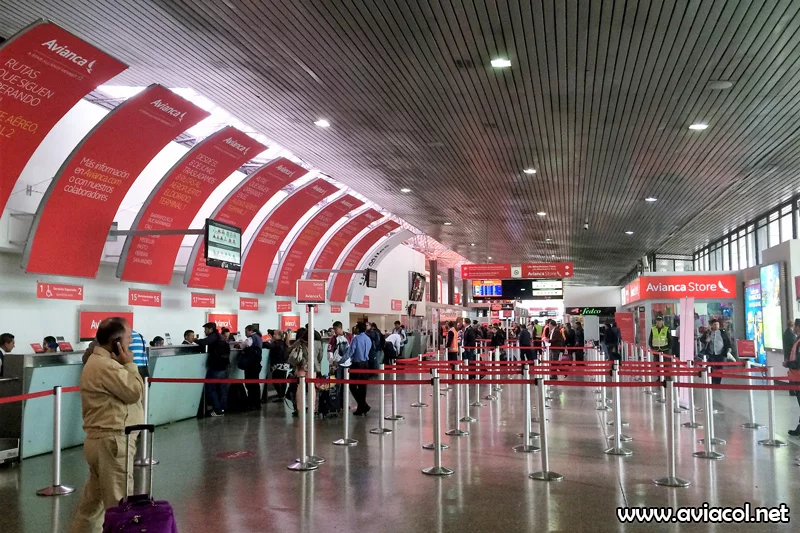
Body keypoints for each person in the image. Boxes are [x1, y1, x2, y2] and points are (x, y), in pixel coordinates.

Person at [69, 319, 143, 533]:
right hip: (113, 441)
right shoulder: (107, 366)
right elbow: (134, 392)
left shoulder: (97, 362)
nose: (130, 341)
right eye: (129, 338)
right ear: (117, 342)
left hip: (101, 441)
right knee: (119, 504)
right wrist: (129, 363)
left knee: (93, 503)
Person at [196, 322, 229, 417]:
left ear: (210, 329)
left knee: (211, 388)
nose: (205, 331)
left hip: (216, 366)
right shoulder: (220, 337)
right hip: (224, 366)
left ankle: (218, 410)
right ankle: (222, 408)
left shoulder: (213, 336)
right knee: (222, 389)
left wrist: (195, 340)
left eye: (206, 329)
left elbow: (204, 342)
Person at [345, 322, 372, 415]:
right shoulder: (368, 339)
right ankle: (362, 407)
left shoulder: (356, 339)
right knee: (363, 386)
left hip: (357, 364)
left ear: (358, 329)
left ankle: (363, 405)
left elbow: (350, 352)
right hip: (366, 364)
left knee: (352, 385)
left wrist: (341, 361)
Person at [239, 325, 263, 411]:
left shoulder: (251, 338)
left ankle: (252, 403)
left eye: (246, 331)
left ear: (250, 331)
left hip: (250, 365)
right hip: (256, 364)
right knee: (255, 384)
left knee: (250, 384)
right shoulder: (259, 337)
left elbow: (244, 345)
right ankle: (257, 403)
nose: (245, 333)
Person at [702, 318, 732, 385]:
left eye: (717, 324)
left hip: (720, 353)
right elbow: (702, 339)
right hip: (711, 353)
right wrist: (706, 340)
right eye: (714, 324)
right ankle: (712, 380)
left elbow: (727, 341)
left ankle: (718, 382)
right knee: (711, 368)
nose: (716, 325)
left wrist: (729, 349)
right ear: (711, 325)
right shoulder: (708, 332)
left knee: (719, 368)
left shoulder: (722, 332)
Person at [784, 319, 800, 437]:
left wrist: (788, 364)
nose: (793, 327)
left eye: (795, 325)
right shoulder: (797, 340)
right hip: (796, 377)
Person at [265, 330, 289, 404]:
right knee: (283, 380)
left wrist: (266, 341)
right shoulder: (284, 343)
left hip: (278, 365)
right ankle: (282, 395)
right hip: (284, 365)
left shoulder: (276, 343)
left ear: (278, 335)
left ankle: (280, 395)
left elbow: (268, 346)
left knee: (275, 380)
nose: (273, 336)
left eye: (275, 334)